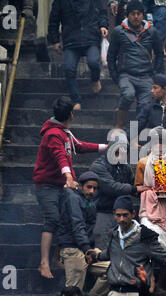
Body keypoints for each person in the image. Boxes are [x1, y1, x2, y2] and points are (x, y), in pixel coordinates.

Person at [33, 96, 107, 279]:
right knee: (52, 219)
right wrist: (68, 176)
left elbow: (79, 147)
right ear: (71, 114)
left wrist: (106, 147)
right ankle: (44, 262)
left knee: (65, 219)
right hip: (48, 185)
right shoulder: (53, 134)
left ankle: (58, 258)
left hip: (60, 186)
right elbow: (60, 157)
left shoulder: (64, 133)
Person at [86, 195, 166, 296]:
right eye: (118, 215)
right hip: (114, 292)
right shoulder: (114, 235)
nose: (121, 219)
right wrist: (95, 256)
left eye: (125, 215)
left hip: (136, 294)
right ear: (114, 215)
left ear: (133, 214)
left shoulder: (145, 237)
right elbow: (110, 253)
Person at [107, 0, 164, 128]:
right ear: (127, 16)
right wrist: (115, 76)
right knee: (128, 95)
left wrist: (155, 73)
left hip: (146, 75)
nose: (136, 16)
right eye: (133, 14)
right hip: (126, 74)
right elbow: (111, 56)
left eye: (139, 13)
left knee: (146, 105)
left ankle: (136, 134)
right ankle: (119, 125)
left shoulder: (151, 31)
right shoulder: (118, 32)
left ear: (143, 15)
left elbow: (159, 54)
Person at [89, 131, 150, 250]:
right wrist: (134, 189)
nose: (120, 155)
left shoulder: (124, 167)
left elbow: (134, 184)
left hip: (121, 215)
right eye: (116, 152)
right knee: (102, 249)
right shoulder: (98, 166)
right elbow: (111, 187)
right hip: (102, 212)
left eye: (123, 152)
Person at [48, 0, 109, 110]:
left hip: (90, 37)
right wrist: (55, 40)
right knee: (69, 69)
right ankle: (76, 100)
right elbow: (54, 19)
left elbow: (102, 12)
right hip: (71, 40)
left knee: (93, 62)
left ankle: (95, 79)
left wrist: (103, 25)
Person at [135, 127, 166, 255]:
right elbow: (138, 187)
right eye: (156, 142)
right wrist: (150, 191)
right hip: (150, 208)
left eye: (162, 142)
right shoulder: (143, 163)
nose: (159, 146)